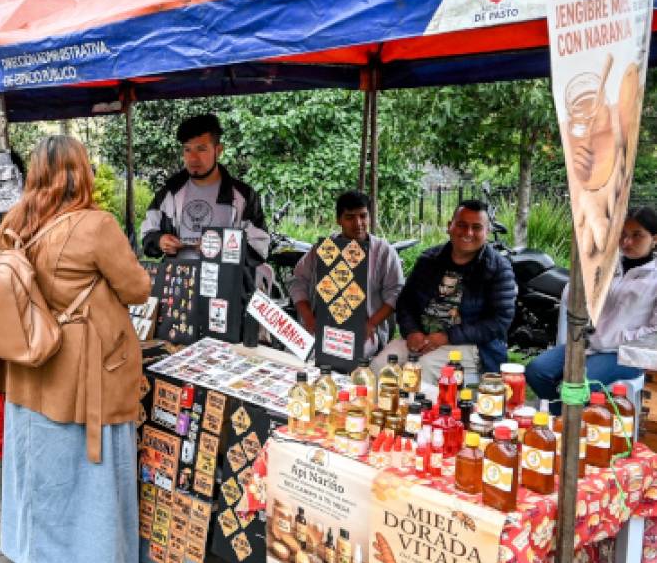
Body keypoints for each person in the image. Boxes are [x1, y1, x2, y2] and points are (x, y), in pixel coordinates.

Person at [0, 135, 151, 563]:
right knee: (89, 468)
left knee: (38, 462)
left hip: (29, 359)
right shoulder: (95, 226)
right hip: (84, 366)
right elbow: (137, 288)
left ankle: (34, 552)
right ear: (81, 172)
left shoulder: (14, 223)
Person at [373, 200, 516, 384]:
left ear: (487, 233)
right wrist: (411, 332)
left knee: (419, 373)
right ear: (450, 226)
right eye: (462, 225)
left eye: (476, 227)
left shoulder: (498, 268)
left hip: (470, 346)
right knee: (379, 367)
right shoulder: (429, 260)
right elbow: (405, 303)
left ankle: (416, 413)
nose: (468, 233)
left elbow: (500, 321)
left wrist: (448, 336)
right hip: (422, 338)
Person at [527, 207, 657, 408]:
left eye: (637, 235)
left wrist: (613, 339)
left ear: (654, 238)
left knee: (578, 383)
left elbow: (654, 331)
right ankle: (563, 419)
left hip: (625, 354)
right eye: (622, 234)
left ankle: (569, 423)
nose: (627, 242)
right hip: (588, 344)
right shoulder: (610, 266)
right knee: (536, 371)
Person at [289, 191, 404, 357]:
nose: (358, 223)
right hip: (322, 326)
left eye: (363, 216)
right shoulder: (325, 248)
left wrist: (371, 323)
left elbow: (396, 293)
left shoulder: (384, 252)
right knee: (296, 353)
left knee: (346, 357)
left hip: (364, 331)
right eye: (350, 217)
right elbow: (298, 281)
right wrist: (308, 317)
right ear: (338, 220)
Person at [141, 113, 269, 261]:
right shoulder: (170, 192)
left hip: (225, 281)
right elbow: (147, 236)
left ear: (218, 150)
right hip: (180, 280)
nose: (193, 158)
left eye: (201, 149)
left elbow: (260, 248)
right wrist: (160, 240)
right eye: (187, 150)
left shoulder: (242, 196)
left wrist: (220, 248)